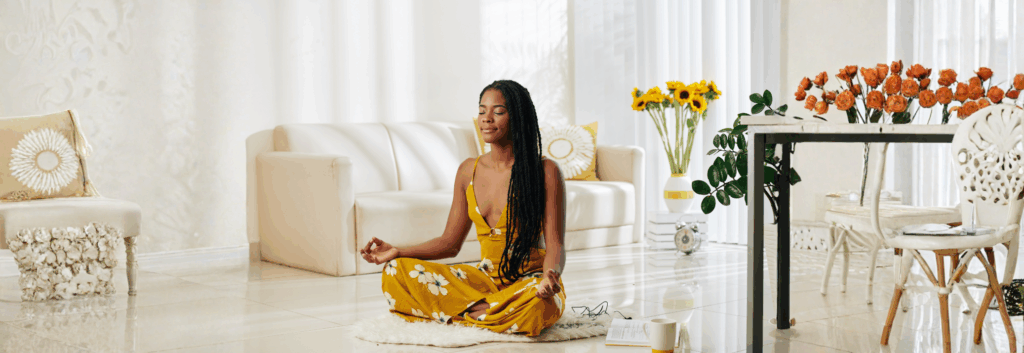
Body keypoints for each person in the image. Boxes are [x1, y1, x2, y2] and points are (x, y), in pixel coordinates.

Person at [359, 80, 567, 336]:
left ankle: (465, 312)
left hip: (528, 282)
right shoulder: (468, 170)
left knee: (538, 304)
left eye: (498, 111)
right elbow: (450, 243)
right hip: (483, 280)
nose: (486, 119)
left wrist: (550, 276)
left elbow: (556, 244)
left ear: (518, 116)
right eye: (482, 111)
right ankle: (490, 313)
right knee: (395, 272)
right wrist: (398, 251)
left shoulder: (546, 171)